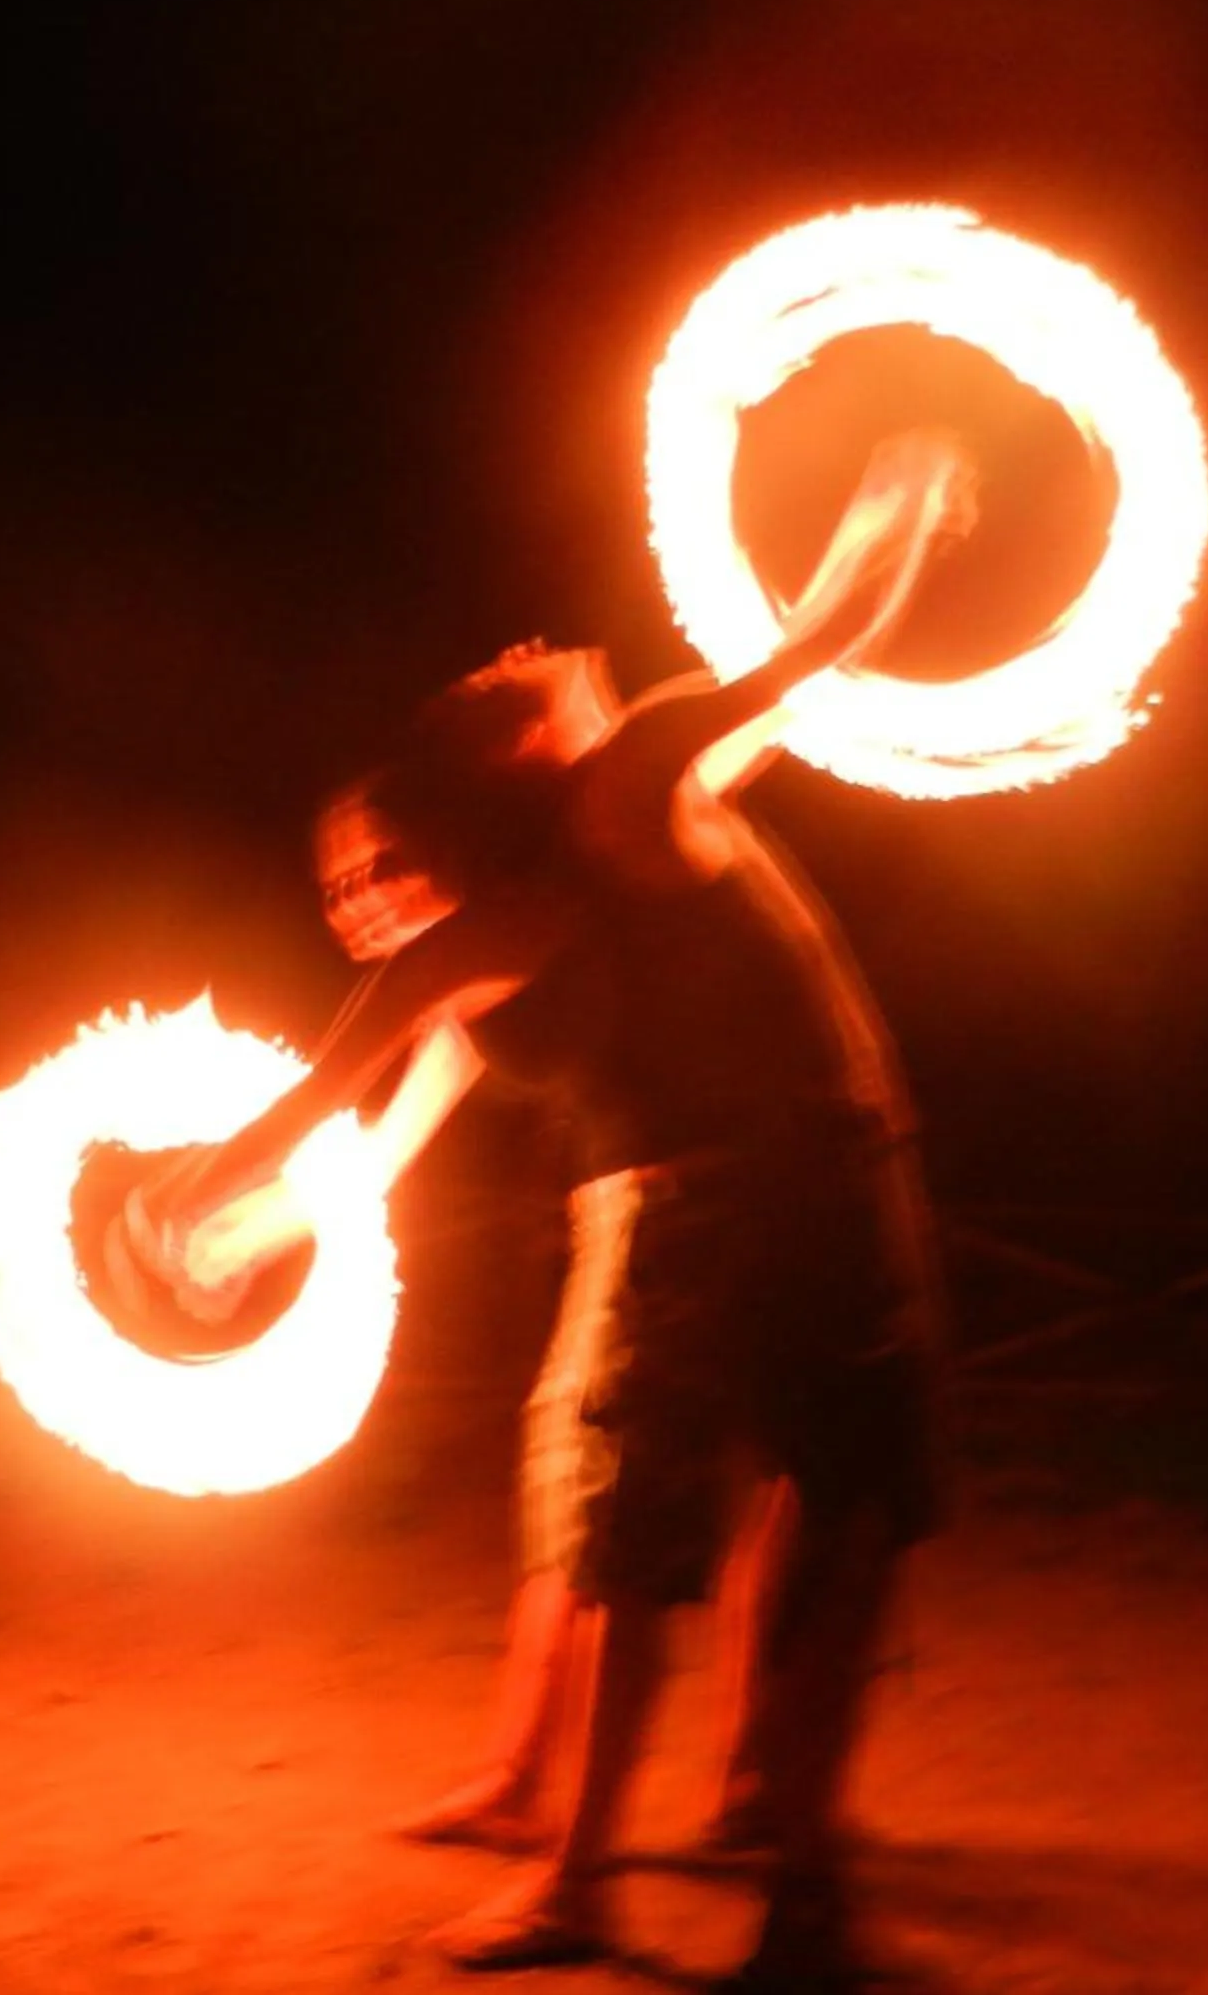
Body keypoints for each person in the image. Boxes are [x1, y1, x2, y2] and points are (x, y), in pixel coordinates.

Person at [130, 431, 971, 1982]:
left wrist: (208, 1203)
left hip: (755, 1196)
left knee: (691, 1540)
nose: (528, 647)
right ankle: (715, 1868)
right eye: (504, 674)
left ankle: (692, 1865)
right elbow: (821, 640)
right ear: (520, 752)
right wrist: (899, 499)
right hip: (790, 1191)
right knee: (791, 1520)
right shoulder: (642, 766)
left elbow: (332, 1095)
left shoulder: (575, 854)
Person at [311, 778, 795, 1866]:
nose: (361, 897)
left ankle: (688, 1813)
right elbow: (382, 1147)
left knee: (635, 1518)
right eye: (337, 882)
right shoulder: (467, 972)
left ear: (448, 843)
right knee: (564, 1496)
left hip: (697, 1208)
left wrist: (206, 1203)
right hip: (626, 1213)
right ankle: (521, 1778)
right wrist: (244, 1236)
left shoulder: (526, 918)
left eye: (384, 863)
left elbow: (332, 1097)